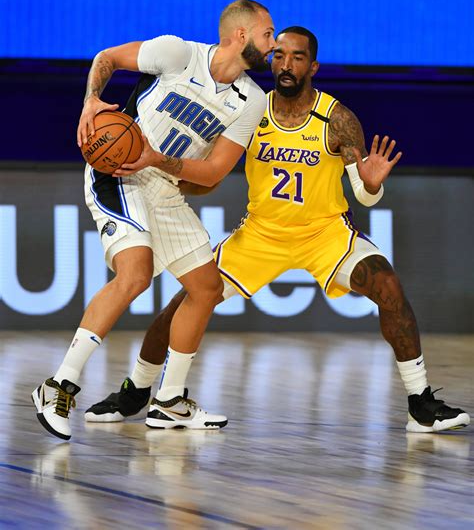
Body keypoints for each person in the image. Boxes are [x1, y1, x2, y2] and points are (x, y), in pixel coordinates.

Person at [85, 27, 470, 434]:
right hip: (260, 235)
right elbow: (211, 169)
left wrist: (372, 183)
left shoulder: (337, 119)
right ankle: (137, 390)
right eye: (279, 55)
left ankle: (420, 402)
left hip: (324, 233)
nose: (286, 64)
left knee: (388, 286)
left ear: (313, 66)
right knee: (184, 303)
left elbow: (364, 195)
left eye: (297, 57)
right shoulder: (252, 110)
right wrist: (174, 179)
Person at [32, 0, 276, 440]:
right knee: (136, 274)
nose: (273, 44)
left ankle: (169, 401)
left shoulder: (253, 99)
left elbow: (215, 171)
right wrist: (91, 102)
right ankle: (58, 385)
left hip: (162, 183)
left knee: (206, 288)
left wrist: (157, 159)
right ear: (240, 36)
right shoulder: (178, 54)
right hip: (118, 172)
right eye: (267, 34)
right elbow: (106, 58)